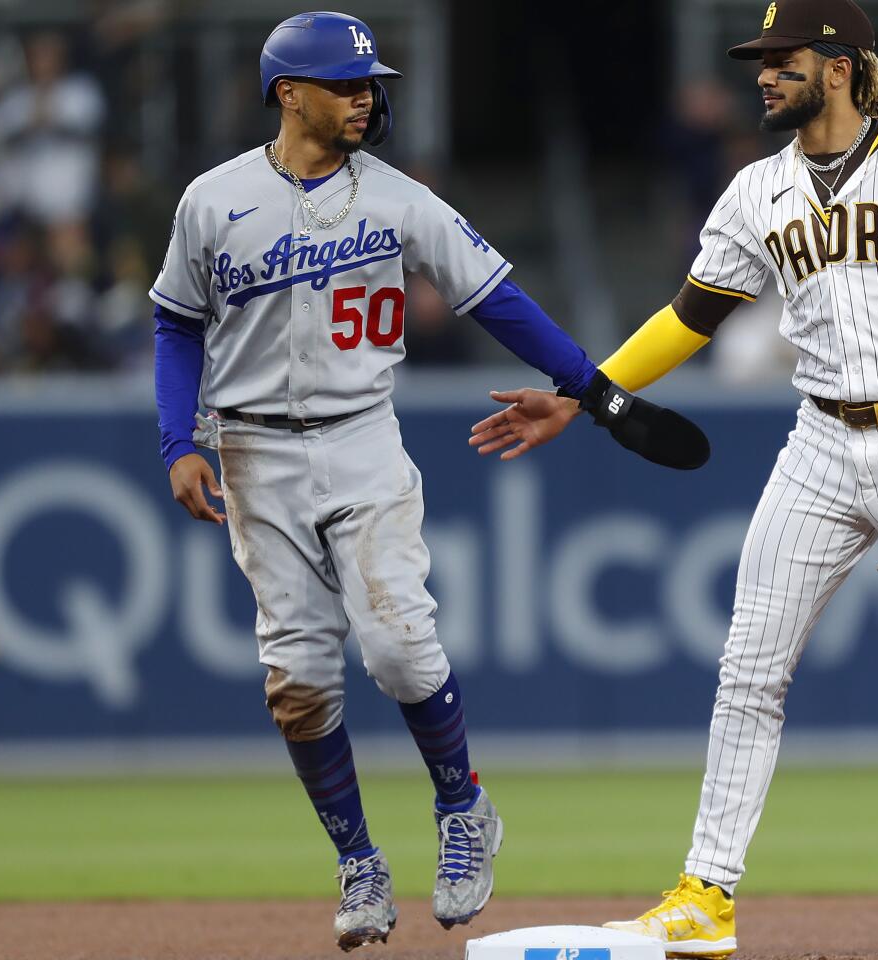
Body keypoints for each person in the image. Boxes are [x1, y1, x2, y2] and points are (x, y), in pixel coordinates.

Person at [468, 0, 878, 956]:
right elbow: (691, 318)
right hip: (819, 442)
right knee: (747, 670)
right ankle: (706, 897)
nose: (764, 73)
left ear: (840, 66)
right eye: (761, 60)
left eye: (783, 58)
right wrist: (583, 393)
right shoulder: (755, 191)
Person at [150, 11, 694, 951]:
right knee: (298, 679)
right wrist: (176, 440)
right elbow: (174, 324)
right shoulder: (213, 200)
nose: (367, 97)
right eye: (346, 84)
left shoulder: (400, 200)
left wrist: (593, 393)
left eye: (372, 83)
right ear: (289, 94)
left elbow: (500, 301)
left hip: (360, 434)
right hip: (250, 450)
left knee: (399, 649)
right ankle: (359, 861)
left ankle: (462, 808)